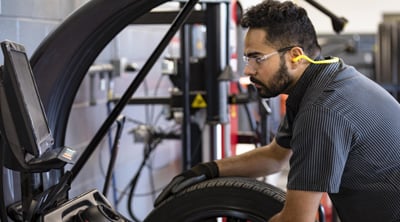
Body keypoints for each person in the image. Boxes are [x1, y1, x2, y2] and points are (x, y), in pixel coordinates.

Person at [154, 0, 400, 221]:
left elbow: (297, 220)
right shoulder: (327, 77)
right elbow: (275, 156)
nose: (248, 70)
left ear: (295, 56)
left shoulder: (321, 110)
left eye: (257, 58)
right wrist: (208, 170)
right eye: (246, 59)